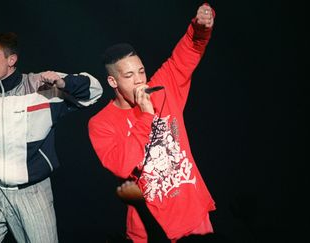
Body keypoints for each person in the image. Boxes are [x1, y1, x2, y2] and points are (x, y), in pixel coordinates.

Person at [0, 32, 103, 242]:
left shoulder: (40, 87)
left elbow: (95, 90)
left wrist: (64, 83)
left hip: (32, 193)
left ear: (12, 60)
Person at [88, 3, 216, 242]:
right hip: (151, 230)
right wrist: (146, 116)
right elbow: (121, 165)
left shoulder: (161, 89)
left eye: (141, 71)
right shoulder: (101, 123)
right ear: (113, 82)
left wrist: (200, 27)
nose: (139, 81)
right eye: (128, 76)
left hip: (194, 216)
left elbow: (188, 51)